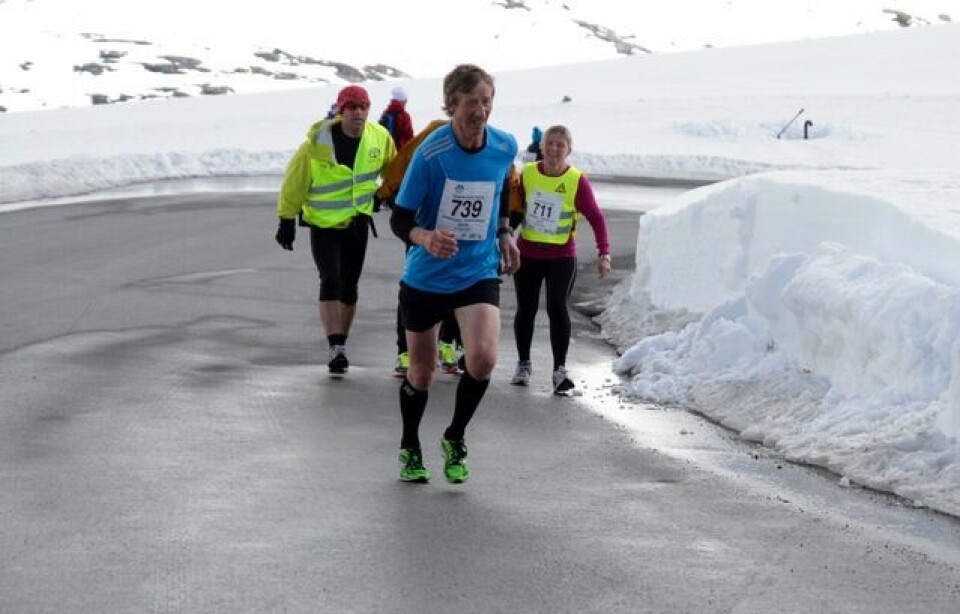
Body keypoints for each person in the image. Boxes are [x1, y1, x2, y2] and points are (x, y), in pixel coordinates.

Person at [389, 64, 519, 484]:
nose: (480, 111)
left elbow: (500, 191)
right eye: (471, 103)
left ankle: (455, 435)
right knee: (421, 373)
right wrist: (424, 237)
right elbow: (400, 218)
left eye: (486, 101)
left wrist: (503, 234)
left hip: (476, 271)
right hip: (426, 276)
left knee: (482, 359)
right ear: (451, 106)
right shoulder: (430, 155)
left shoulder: (504, 146)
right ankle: (410, 445)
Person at [274, 84, 397, 374]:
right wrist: (286, 219)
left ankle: (342, 341)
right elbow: (295, 181)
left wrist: (385, 195)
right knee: (330, 279)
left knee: (350, 285)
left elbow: (394, 172)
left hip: (357, 222)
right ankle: (335, 346)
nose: (358, 112)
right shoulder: (316, 144)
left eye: (363, 106)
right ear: (341, 110)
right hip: (323, 224)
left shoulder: (380, 138)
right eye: (352, 107)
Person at [509, 124, 611, 394]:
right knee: (526, 309)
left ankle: (559, 371)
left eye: (560, 145)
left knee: (557, 307)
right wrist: (504, 239)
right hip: (528, 253)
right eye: (550, 144)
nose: (554, 149)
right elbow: (514, 211)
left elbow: (596, 218)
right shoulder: (528, 174)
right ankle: (523, 364)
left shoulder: (577, 180)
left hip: (561, 256)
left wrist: (604, 253)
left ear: (568, 150)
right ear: (541, 147)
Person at [376, 119, 465, 377]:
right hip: (422, 230)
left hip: (461, 234)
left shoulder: (482, 139)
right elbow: (401, 164)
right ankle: (405, 351)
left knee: (459, 288)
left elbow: (504, 176)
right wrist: (383, 194)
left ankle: (448, 346)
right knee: (413, 288)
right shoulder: (430, 136)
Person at [378, 85, 415, 150]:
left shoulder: (386, 113)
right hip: (400, 152)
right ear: (402, 101)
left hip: (386, 150)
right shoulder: (405, 116)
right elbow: (410, 137)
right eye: (405, 101)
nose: (406, 103)